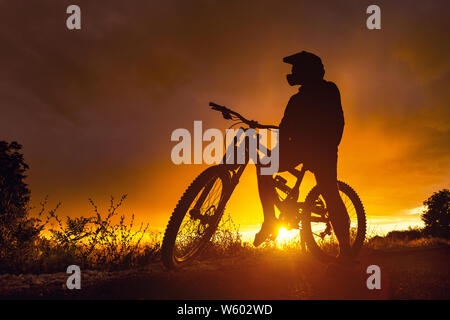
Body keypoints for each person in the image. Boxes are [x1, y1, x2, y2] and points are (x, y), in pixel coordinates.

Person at [254, 51, 352, 260]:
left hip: (322, 150)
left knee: (330, 193)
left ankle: (346, 250)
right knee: (264, 165)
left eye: (296, 69)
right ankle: (269, 221)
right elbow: (285, 130)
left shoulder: (328, 90)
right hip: (300, 149)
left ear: (308, 71)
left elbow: (338, 122)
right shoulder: (295, 99)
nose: (292, 73)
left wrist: (326, 148)